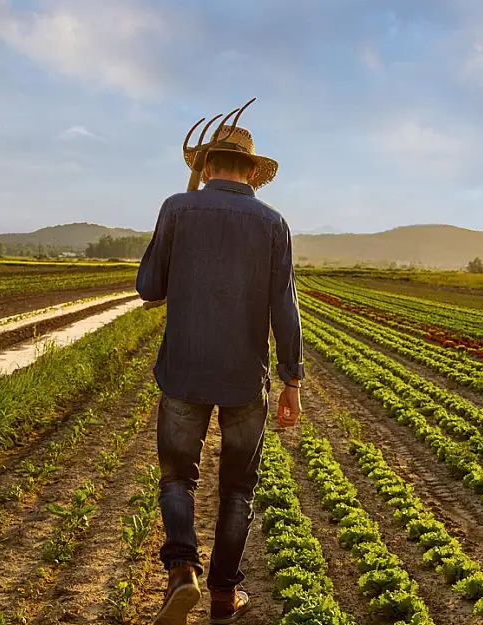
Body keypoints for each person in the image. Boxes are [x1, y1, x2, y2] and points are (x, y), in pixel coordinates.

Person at [136, 107, 303, 624]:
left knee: (177, 477)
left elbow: (148, 288)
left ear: (206, 166)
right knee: (237, 488)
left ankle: (181, 570)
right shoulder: (274, 223)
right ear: (252, 172)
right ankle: (224, 597)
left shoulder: (176, 208)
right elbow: (284, 306)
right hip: (243, 380)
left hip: (183, 369)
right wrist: (291, 381)